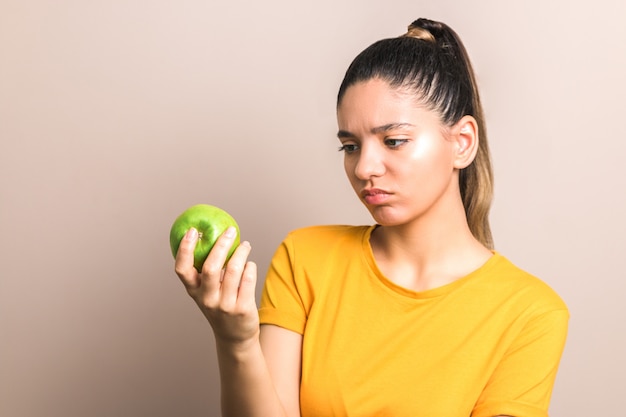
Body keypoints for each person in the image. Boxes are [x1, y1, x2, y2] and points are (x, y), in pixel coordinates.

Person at [174, 17, 569, 417]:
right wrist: (237, 342)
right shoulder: (304, 258)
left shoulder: (531, 314)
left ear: (462, 143)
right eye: (349, 146)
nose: (364, 167)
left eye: (393, 141)